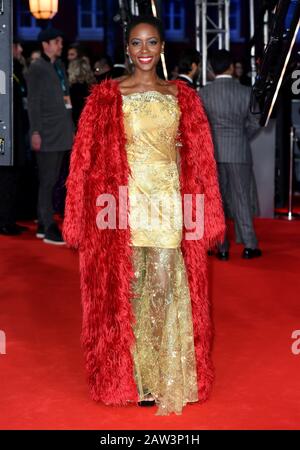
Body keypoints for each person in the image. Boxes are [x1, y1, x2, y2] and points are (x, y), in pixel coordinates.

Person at [63, 16, 225, 416]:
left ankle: (169, 375)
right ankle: (136, 378)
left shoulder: (182, 96)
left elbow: (201, 161)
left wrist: (205, 210)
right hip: (123, 206)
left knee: (168, 289)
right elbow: (83, 159)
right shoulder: (107, 96)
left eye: (152, 42)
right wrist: (80, 213)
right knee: (130, 291)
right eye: (137, 44)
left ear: (162, 48)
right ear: (128, 49)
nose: (145, 51)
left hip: (170, 205)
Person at [200, 50, 262, 260]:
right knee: (242, 198)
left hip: (212, 153)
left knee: (217, 202)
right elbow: (255, 122)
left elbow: (199, 126)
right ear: (230, 67)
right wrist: (241, 136)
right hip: (239, 150)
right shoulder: (246, 92)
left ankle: (222, 247)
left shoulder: (203, 93)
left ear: (211, 68)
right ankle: (249, 245)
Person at [27, 28, 74, 245]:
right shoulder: (37, 68)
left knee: (52, 180)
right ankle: (48, 227)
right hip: (46, 133)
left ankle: (42, 224)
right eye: (57, 41)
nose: (60, 45)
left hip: (60, 131)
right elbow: (34, 103)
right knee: (48, 181)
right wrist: (35, 131)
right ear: (45, 44)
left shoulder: (58, 66)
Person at [0, 38, 29, 236]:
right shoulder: (4, 72)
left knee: (12, 179)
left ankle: (9, 219)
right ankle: (5, 222)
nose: (20, 50)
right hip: (6, 135)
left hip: (16, 132)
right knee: (6, 180)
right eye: (17, 46)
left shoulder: (14, 71)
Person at [68, 57, 95, 128]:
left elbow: (68, 110)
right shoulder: (93, 89)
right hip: (91, 126)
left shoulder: (70, 90)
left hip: (77, 127)